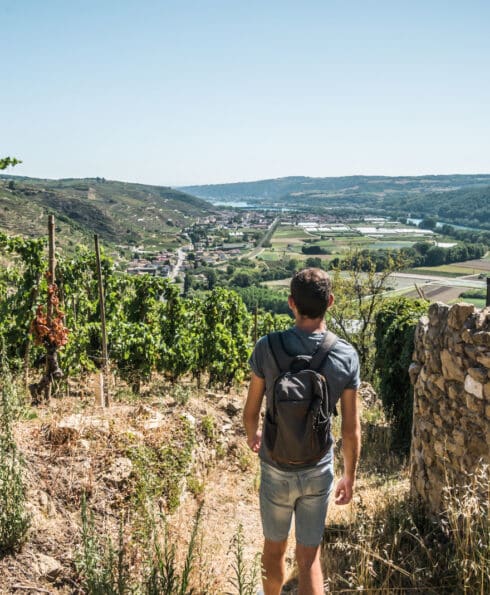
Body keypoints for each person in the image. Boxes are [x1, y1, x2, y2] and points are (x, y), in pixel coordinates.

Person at [243, 268, 361, 595]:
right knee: (309, 558)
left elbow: (251, 412)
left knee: (273, 549)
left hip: (275, 466)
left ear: (291, 303)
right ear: (331, 302)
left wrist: (254, 435)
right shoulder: (345, 355)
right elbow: (350, 429)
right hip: (318, 469)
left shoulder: (267, 347)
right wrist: (349, 476)